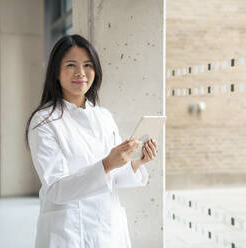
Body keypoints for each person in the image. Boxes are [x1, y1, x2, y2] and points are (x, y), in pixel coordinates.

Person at [25, 34, 158, 248]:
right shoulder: (44, 121)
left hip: (108, 229)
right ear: (56, 72)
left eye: (88, 65)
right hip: (69, 233)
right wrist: (107, 164)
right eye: (71, 65)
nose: (81, 73)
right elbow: (55, 189)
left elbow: (112, 178)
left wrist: (138, 162)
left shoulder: (103, 116)